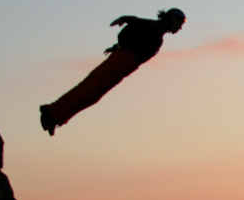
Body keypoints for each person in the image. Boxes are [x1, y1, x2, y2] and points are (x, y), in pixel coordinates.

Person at [40, 8, 186, 136]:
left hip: (124, 66)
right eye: (179, 24)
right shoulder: (155, 26)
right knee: (88, 88)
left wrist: (117, 46)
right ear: (172, 20)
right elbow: (137, 21)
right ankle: (51, 112)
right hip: (120, 62)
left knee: (92, 96)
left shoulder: (157, 32)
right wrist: (124, 19)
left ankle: (56, 118)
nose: (180, 28)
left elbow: (136, 40)